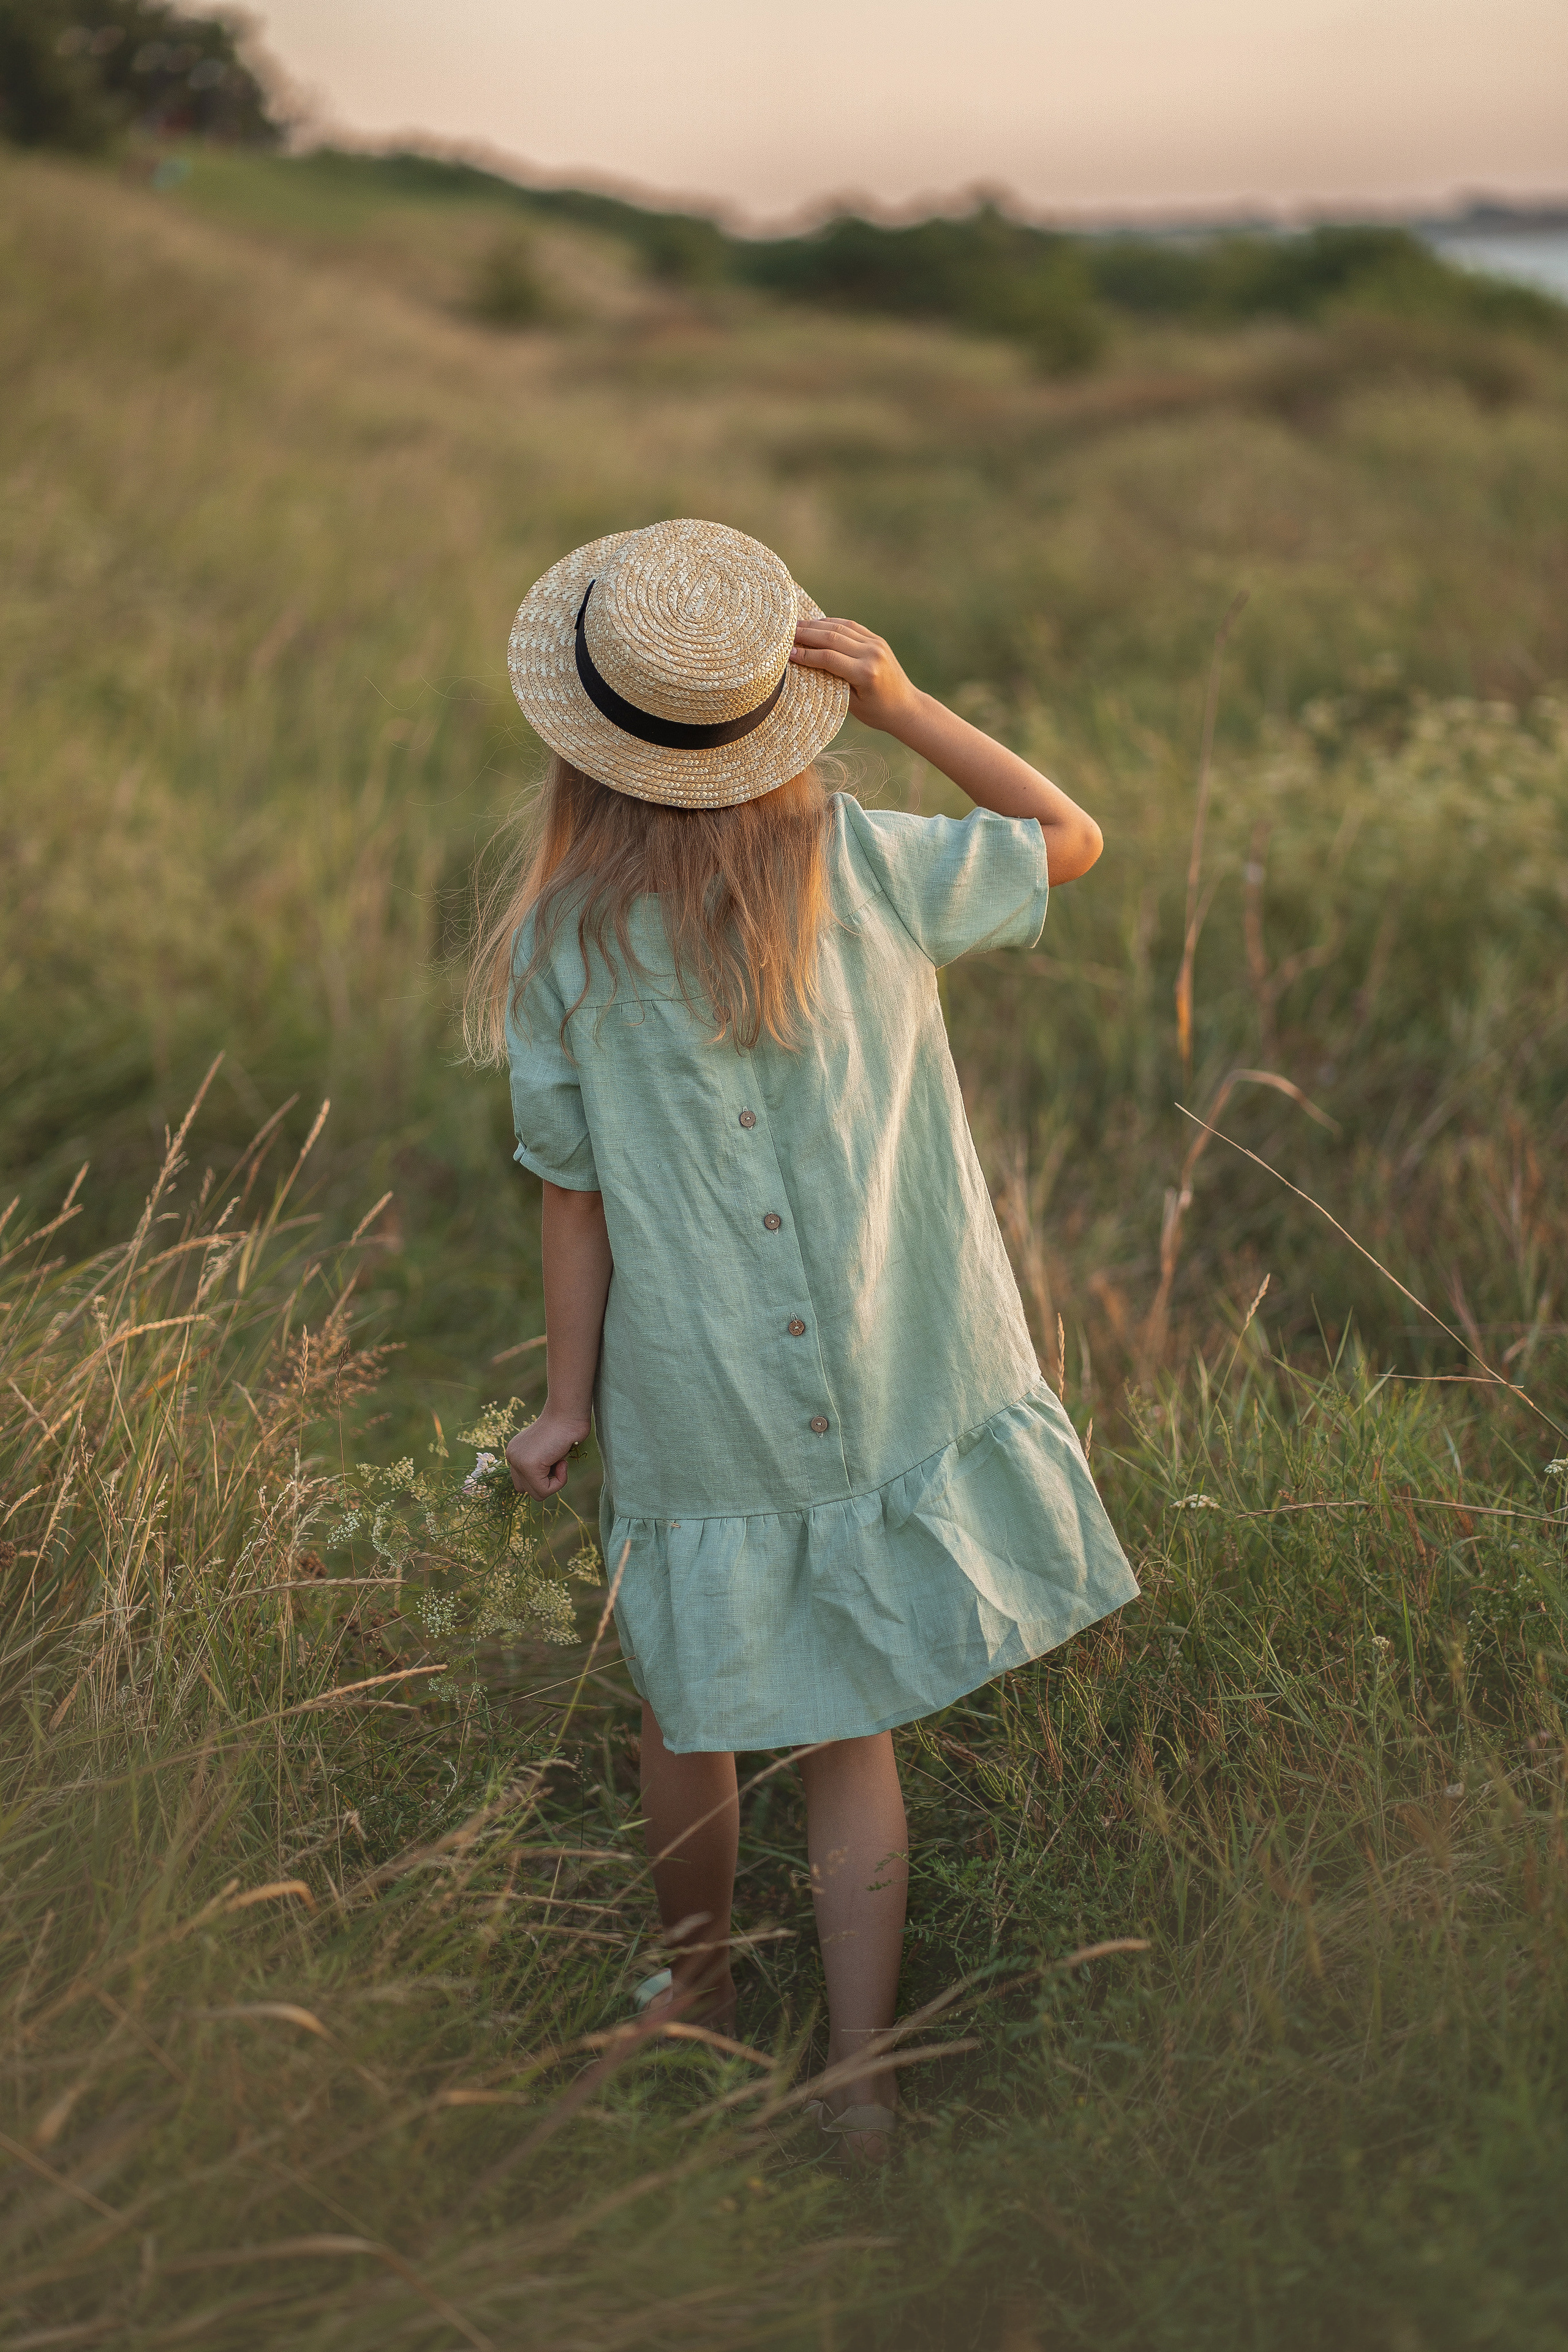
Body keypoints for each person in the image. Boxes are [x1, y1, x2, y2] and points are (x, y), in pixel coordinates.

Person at [467, 518, 1137, 2163]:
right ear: (781, 712)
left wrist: (565, 1408)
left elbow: (575, 1206)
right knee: (853, 1723)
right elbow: (1066, 834)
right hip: (895, 1356)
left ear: (591, 738)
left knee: (688, 1710)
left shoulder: (564, 942)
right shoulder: (872, 864)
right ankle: (862, 2080)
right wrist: (903, 702)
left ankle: (695, 1993)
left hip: (697, 1392)